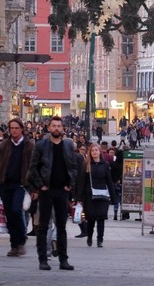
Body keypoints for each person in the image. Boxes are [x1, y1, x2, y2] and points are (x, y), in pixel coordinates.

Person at [28, 116, 77, 271]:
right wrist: (40, 185)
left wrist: (70, 184)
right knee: (43, 226)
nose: (56, 128)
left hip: (62, 190)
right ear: (49, 128)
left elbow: (74, 167)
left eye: (59, 126)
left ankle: (63, 259)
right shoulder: (41, 145)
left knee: (61, 226)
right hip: (46, 191)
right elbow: (33, 167)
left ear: (62, 128)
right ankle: (43, 259)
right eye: (54, 126)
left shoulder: (68, 146)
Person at [0, 118, 35, 257]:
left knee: (16, 210)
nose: (13, 130)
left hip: (21, 184)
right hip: (5, 183)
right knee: (9, 214)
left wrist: (34, 188)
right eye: (11, 128)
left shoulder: (29, 145)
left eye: (16, 128)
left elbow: (34, 166)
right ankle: (15, 245)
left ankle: (21, 238)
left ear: (21, 129)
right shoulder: (4, 145)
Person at [75, 143, 117, 248]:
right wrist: (78, 198)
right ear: (90, 152)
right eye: (92, 150)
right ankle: (89, 236)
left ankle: (100, 239)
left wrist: (113, 197)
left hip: (102, 195)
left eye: (96, 150)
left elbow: (109, 181)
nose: (94, 152)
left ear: (100, 152)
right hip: (89, 195)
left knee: (101, 218)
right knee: (91, 218)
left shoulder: (105, 165)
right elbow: (81, 181)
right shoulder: (86, 164)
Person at [72, 145, 88, 238]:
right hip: (77, 186)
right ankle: (84, 230)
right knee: (77, 209)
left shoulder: (74, 157)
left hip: (75, 186)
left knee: (77, 209)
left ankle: (84, 229)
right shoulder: (78, 157)